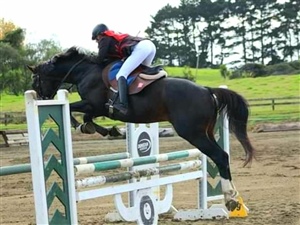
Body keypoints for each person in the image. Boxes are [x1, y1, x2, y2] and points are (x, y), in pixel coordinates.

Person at [91, 23, 157, 115]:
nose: (97, 41)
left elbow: (100, 59)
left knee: (121, 75)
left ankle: (123, 105)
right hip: (150, 46)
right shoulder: (113, 36)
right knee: (140, 73)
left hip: (141, 48)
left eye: (96, 38)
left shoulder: (104, 38)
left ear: (99, 34)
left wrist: (89, 58)